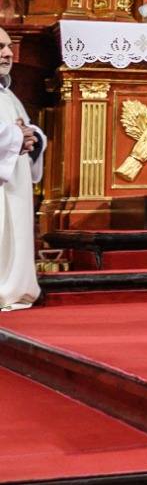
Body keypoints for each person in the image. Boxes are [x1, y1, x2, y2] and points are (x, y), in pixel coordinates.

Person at [0, 29, 46, 312]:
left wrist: (33, 138)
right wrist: (17, 137)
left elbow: (23, 128)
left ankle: (14, 287)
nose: (8, 54)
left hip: (14, 183)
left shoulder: (8, 95)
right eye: (0, 48)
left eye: (8, 47)